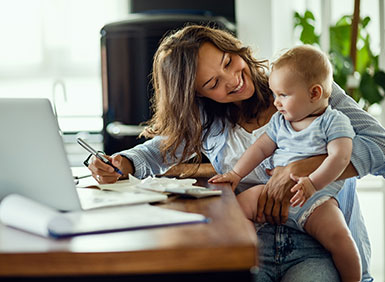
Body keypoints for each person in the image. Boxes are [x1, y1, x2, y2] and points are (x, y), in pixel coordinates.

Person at [87, 25, 385, 281]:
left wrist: (302, 168)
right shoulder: (209, 118)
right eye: (213, 83)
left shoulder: (303, 84)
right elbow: (157, 151)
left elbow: (381, 147)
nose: (232, 79)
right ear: (197, 95)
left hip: (319, 241)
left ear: (235, 49)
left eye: (229, 62)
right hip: (254, 240)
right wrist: (121, 162)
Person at [209, 45, 361, 281]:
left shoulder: (333, 121)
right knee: (236, 208)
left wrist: (312, 183)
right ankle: (251, 256)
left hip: (316, 200)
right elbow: (259, 148)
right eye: (274, 94)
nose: (276, 102)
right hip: (273, 192)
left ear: (314, 94)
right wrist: (236, 174)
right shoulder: (280, 122)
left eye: (283, 95)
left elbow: (340, 158)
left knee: (340, 238)